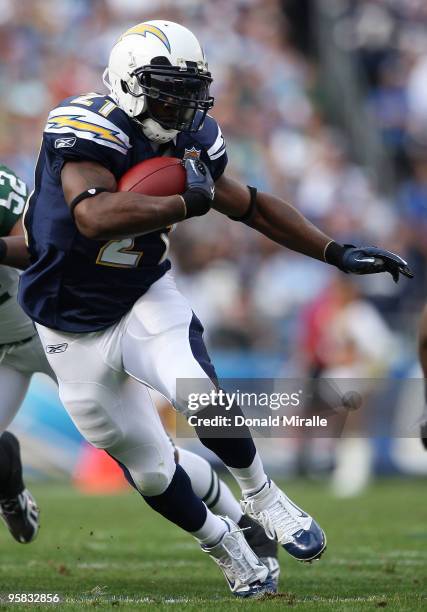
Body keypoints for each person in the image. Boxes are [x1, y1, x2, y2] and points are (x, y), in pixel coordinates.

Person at [9, 20, 412, 596]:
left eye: (189, 87)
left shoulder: (191, 136)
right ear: (128, 83)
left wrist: (336, 251)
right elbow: (91, 216)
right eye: (166, 86)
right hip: (64, 328)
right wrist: (183, 200)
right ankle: (225, 544)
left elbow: (249, 205)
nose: (182, 101)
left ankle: (264, 496)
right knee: (150, 470)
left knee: (197, 390)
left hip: (139, 296)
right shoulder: (87, 127)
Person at [0, 162, 279, 586]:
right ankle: (11, 491)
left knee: (150, 458)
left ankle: (243, 521)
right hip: (4, 351)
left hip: (53, 329)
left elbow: (37, 242)